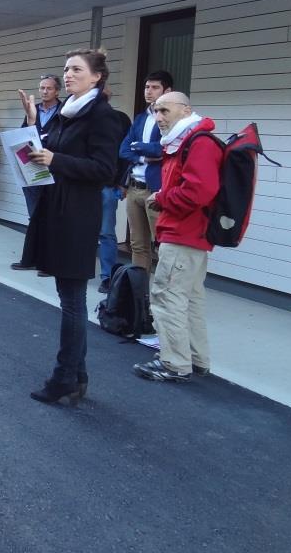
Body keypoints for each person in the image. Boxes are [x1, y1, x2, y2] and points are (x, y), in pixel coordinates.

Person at [20, 48, 124, 405]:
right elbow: (48, 150)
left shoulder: (103, 116)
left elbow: (104, 170)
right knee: (69, 297)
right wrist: (34, 125)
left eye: (77, 69)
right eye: (66, 69)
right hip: (57, 208)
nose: (68, 75)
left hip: (78, 214)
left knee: (73, 300)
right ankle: (77, 376)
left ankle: (64, 376)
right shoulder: (67, 111)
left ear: (97, 77)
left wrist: (55, 159)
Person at [133, 92, 222, 383]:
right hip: (191, 234)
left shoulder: (197, 142)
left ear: (185, 110)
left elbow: (199, 191)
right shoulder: (188, 140)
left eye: (165, 110)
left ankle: (174, 363)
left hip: (183, 233)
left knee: (167, 295)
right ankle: (195, 360)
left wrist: (162, 198)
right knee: (190, 298)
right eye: (156, 111)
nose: (158, 117)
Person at [119, 70, 173, 271]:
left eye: (155, 87)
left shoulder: (172, 119)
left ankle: (163, 289)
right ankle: (139, 287)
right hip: (134, 187)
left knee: (163, 244)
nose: (148, 91)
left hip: (156, 189)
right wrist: (142, 155)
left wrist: (139, 146)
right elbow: (124, 150)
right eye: (147, 87)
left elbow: (162, 149)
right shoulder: (141, 117)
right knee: (138, 245)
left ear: (167, 91)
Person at [17, 74, 63, 217]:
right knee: (33, 213)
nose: (45, 91)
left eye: (49, 88)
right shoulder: (33, 109)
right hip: (32, 168)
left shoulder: (64, 111)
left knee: (52, 214)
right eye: (42, 88)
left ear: (57, 91)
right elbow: (23, 135)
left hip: (54, 169)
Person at [98, 108, 133, 293]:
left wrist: (122, 182)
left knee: (106, 232)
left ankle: (107, 276)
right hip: (83, 185)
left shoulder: (119, 119)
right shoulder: (79, 117)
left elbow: (126, 153)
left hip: (108, 185)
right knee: (81, 229)